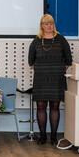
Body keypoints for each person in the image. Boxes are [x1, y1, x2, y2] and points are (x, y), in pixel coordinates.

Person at [27, 14, 72, 146]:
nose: (49, 26)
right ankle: (42, 136)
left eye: (51, 23)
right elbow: (30, 61)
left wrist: (58, 68)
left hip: (57, 78)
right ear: (42, 26)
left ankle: (53, 137)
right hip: (40, 79)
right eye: (46, 24)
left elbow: (68, 59)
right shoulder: (36, 41)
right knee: (41, 107)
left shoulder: (61, 39)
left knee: (54, 107)